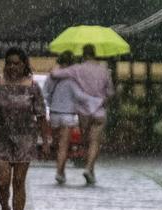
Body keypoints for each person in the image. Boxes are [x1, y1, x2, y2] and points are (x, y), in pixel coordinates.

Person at [0, 47, 49, 210]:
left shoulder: (33, 86)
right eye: (9, 63)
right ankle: (5, 208)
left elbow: (41, 116)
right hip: (1, 138)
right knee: (3, 182)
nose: (12, 67)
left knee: (19, 181)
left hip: (25, 138)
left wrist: (45, 141)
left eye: (16, 63)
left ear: (24, 64)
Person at [49, 44, 115, 185]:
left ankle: (88, 168)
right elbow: (110, 92)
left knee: (86, 142)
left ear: (83, 55)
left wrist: (56, 66)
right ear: (95, 54)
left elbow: (55, 74)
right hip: (99, 110)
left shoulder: (77, 69)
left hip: (83, 111)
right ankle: (89, 168)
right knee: (95, 141)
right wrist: (103, 100)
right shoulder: (104, 70)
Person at [45, 50, 95, 185]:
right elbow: (79, 95)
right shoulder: (74, 77)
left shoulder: (52, 75)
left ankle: (60, 171)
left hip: (54, 113)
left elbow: (46, 93)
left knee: (57, 145)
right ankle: (59, 172)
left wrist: (52, 104)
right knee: (63, 146)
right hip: (68, 114)